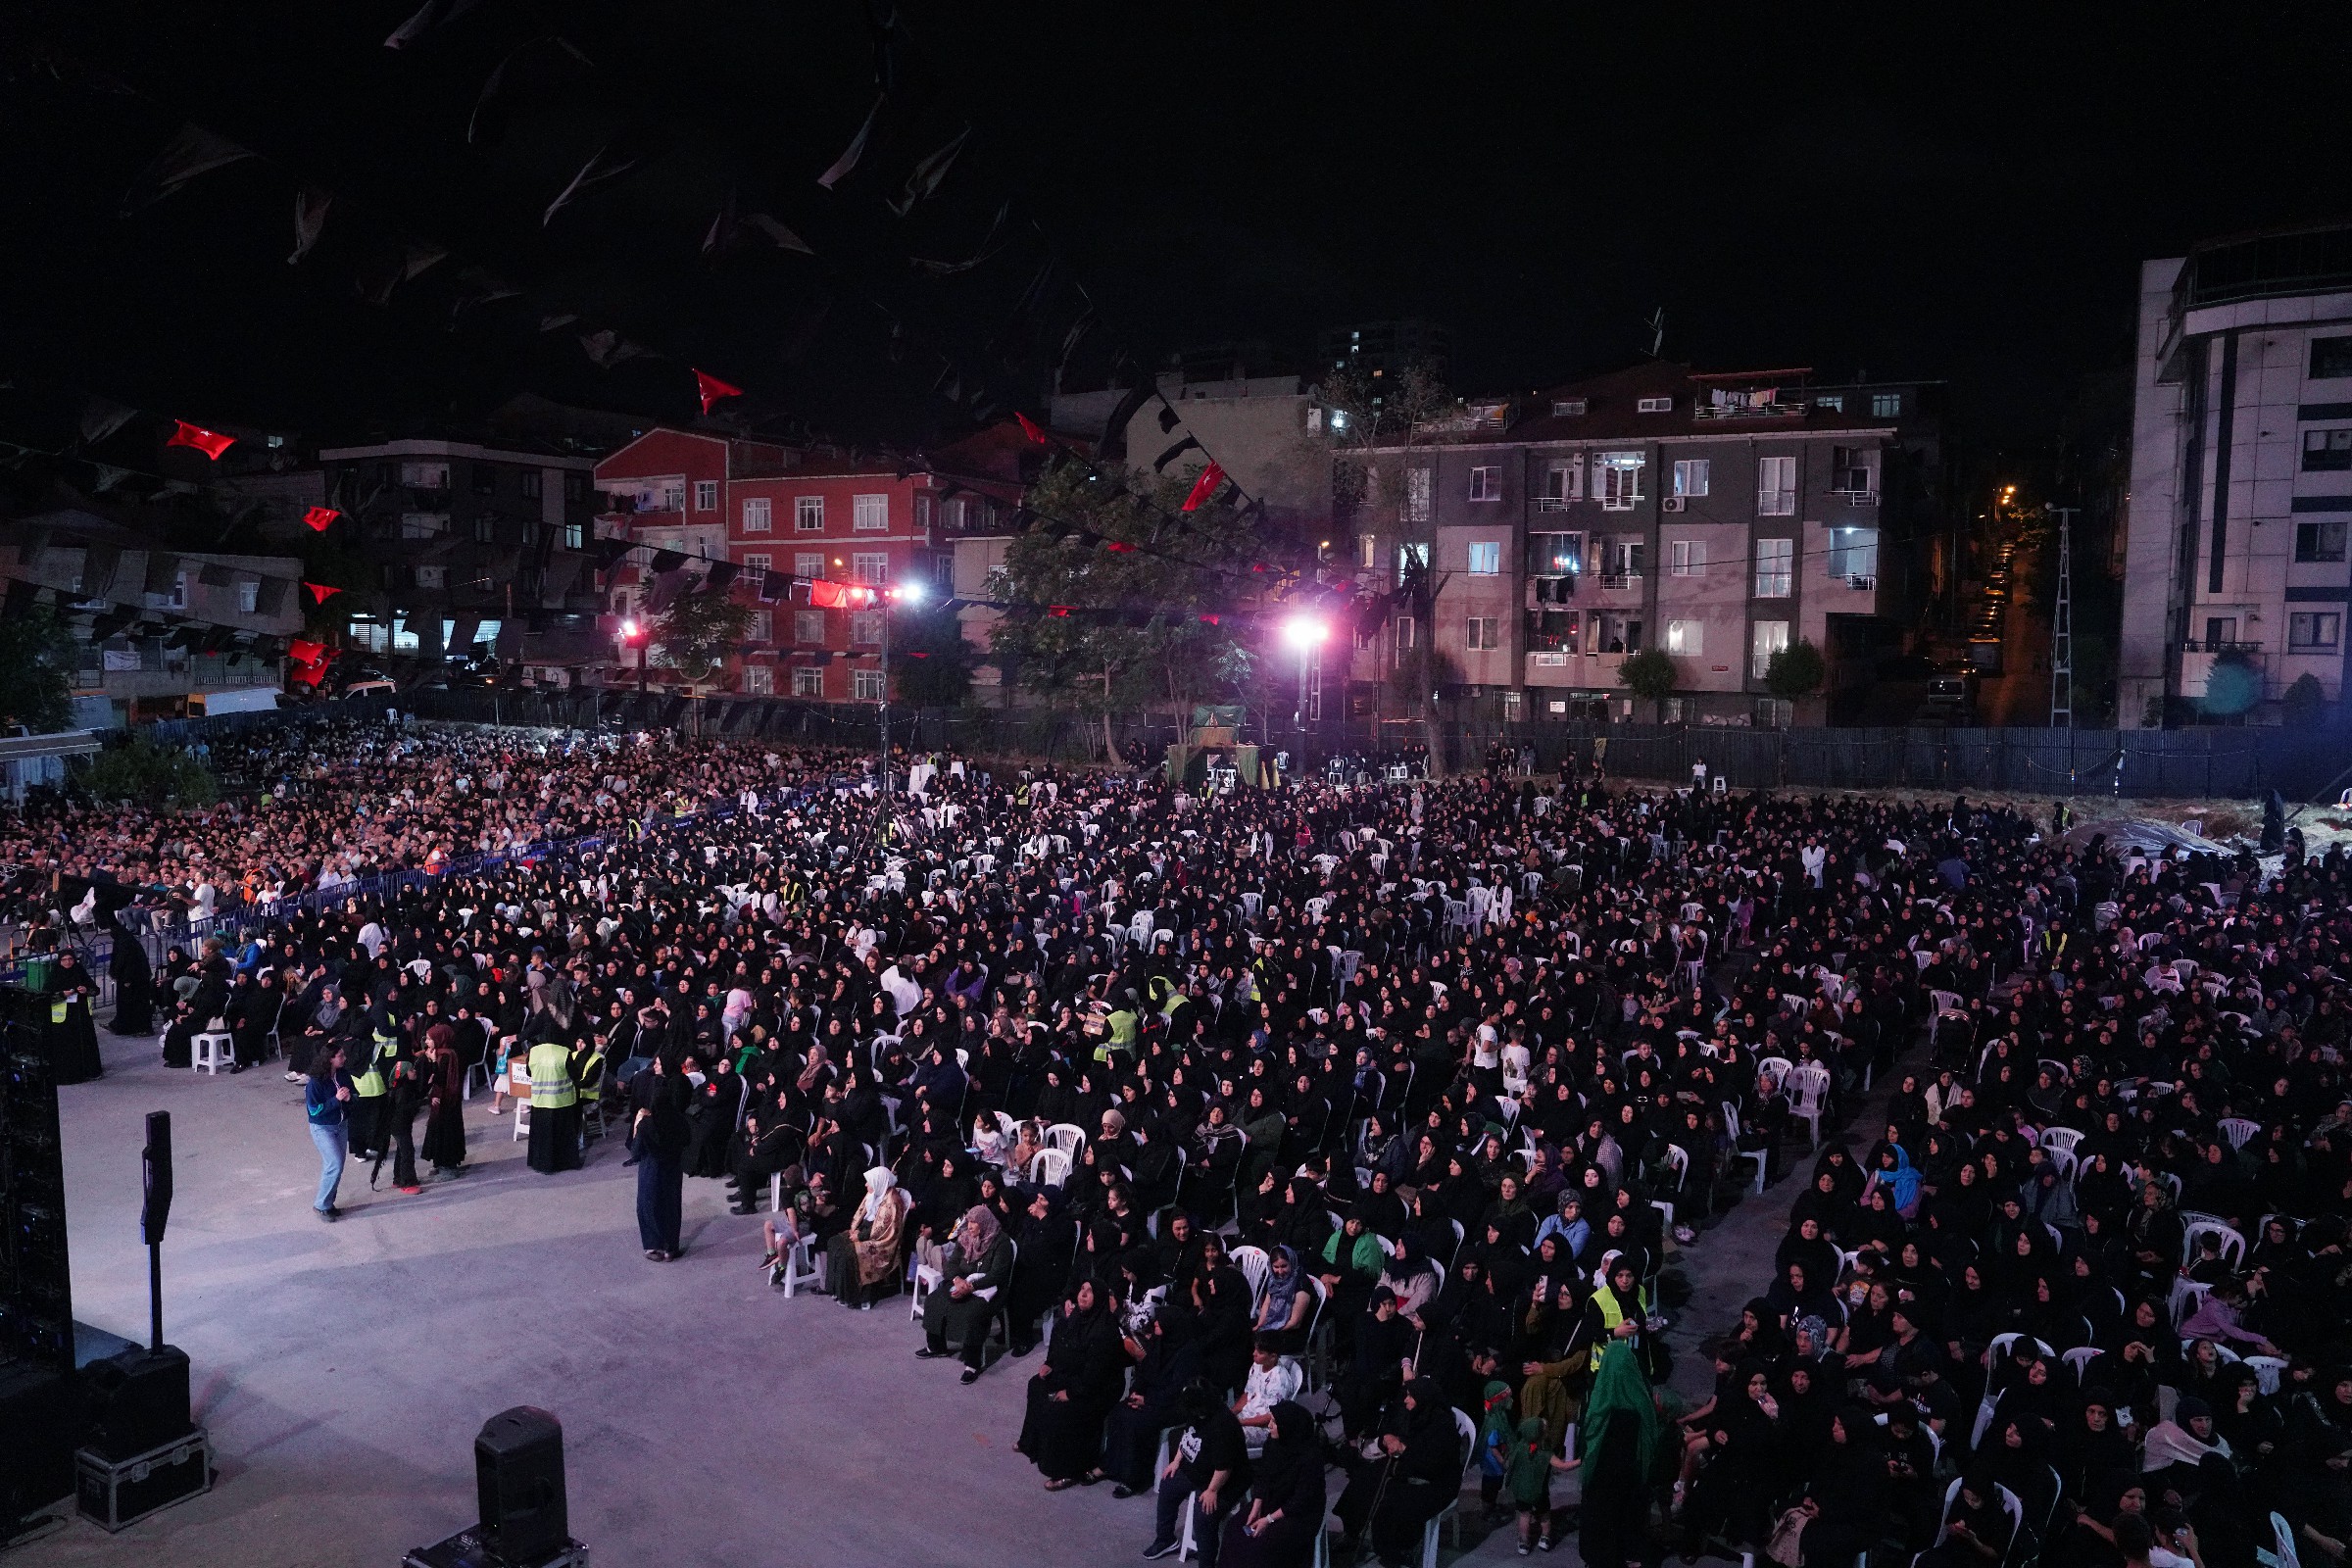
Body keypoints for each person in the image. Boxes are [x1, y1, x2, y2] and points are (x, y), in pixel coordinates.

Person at [1015, 1277, 1127, 1490]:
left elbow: (1096, 1375)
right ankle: (1031, 1443)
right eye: (1082, 1289)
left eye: (1089, 1291)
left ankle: (1069, 1470)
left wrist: (1072, 1393)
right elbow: (1061, 1345)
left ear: (1099, 1298)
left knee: (1062, 1410)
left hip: (1098, 1390)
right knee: (1036, 1386)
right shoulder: (1076, 1318)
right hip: (1074, 1376)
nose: (1082, 1294)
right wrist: (1049, 1364)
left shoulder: (1104, 1331)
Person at [1146, 1378, 1250, 1563]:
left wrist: (1212, 1490)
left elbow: (1224, 1467)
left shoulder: (1223, 1425)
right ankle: (1165, 1539)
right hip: (1198, 1469)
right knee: (1168, 1485)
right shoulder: (1196, 1413)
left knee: (1204, 1517)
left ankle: (1206, 1562)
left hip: (1225, 1480)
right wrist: (1176, 1461)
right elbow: (1189, 1436)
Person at [1220, 1399, 1327, 1568]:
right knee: (1234, 1529)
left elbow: (1301, 1500)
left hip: (1298, 1514)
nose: (1269, 1426)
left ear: (1288, 1427)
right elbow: (1263, 1476)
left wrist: (1268, 1519)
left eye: (1274, 1422)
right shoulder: (1273, 1443)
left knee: (1261, 1547)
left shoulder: (1310, 1458)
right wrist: (1256, 1507)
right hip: (1272, 1499)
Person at [919, 1203, 1012, 1383]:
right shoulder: (965, 1238)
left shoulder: (1001, 1241)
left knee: (972, 1313)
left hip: (988, 1288)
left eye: (974, 1222)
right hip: (962, 1281)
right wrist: (957, 1280)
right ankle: (936, 1347)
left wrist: (971, 1287)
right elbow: (952, 1264)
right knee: (934, 1300)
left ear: (984, 1223)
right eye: (968, 1221)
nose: (969, 1226)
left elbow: (997, 1274)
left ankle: (972, 1363)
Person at [629, 1052, 690, 1260]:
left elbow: (636, 1150)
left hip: (652, 1168)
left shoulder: (647, 1124)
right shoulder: (679, 1121)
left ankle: (653, 1246)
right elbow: (687, 1140)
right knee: (671, 1206)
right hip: (673, 1167)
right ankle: (671, 1247)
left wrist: (638, 1123)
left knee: (648, 1205)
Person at [824, 1164, 907, 1309]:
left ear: (878, 1182)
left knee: (847, 1253)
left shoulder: (892, 1202)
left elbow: (881, 1230)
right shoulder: (875, 1193)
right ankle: (836, 1290)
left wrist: (860, 1236)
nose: (866, 1185)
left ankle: (856, 1297)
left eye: (869, 1182)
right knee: (834, 1242)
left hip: (881, 1241)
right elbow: (865, 1216)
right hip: (865, 1231)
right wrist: (855, 1231)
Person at [305, 1042, 354, 1222]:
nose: (344, 1058)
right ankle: (321, 1205)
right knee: (335, 1164)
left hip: (341, 1125)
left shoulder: (343, 1074)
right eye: (340, 1056)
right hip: (322, 1128)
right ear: (330, 1059)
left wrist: (349, 1098)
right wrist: (336, 1100)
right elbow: (314, 1111)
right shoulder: (315, 1083)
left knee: (336, 1166)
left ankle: (328, 1203)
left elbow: (354, 1094)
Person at [526, 1030, 582, 1174]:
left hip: (540, 1101)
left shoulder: (534, 1052)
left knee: (542, 1137)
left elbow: (528, 1072)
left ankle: (541, 1164)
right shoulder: (564, 1052)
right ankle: (564, 1163)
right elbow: (575, 1074)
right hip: (561, 1101)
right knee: (562, 1137)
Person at [419, 1022, 467, 1178]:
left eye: (429, 1039)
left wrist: (433, 1062)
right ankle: (439, 1163)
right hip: (439, 1099)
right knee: (437, 1131)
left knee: (446, 1132)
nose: (427, 1042)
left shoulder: (447, 1056)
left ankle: (448, 1167)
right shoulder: (437, 1053)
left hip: (447, 1101)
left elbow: (440, 1080)